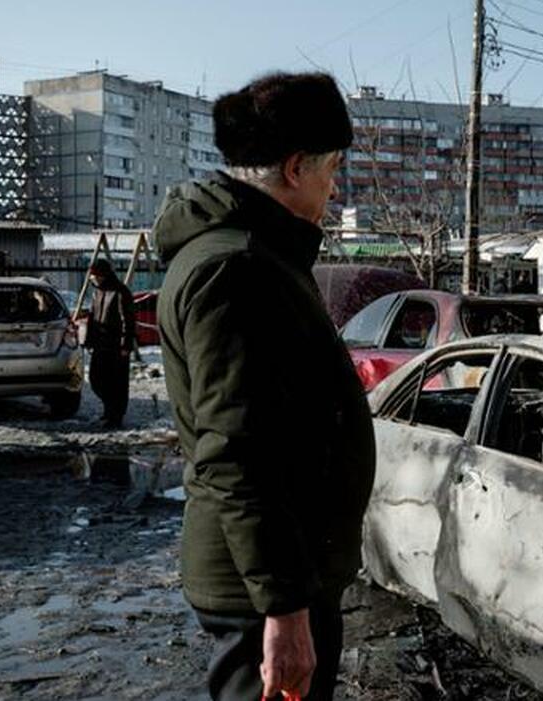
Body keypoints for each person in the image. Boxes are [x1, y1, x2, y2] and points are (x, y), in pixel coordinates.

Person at [152, 72, 376, 701]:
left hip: (277, 575)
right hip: (265, 590)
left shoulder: (257, 256)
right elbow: (236, 452)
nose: (335, 188)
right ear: (297, 167)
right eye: (332, 169)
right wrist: (284, 607)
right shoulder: (238, 269)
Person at [84, 258, 135, 429]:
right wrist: (89, 340)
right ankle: (109, 411)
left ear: (102, 275)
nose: (92, 278)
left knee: (116, 383)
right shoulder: (97, 292)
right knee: (96, 379)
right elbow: (92, 318)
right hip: (100, 344)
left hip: (116, 346)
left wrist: (126, 345)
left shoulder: (120, 292)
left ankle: (115, 416)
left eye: (94, 275)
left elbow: (128, 320)